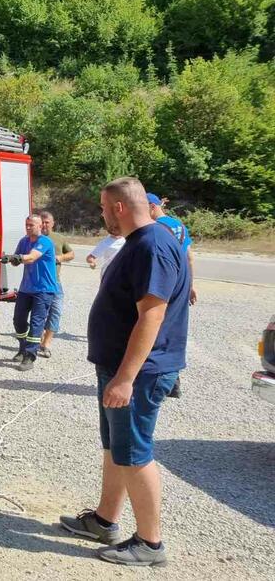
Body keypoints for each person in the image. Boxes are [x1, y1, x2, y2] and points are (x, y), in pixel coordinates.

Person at [60, 177, 189, 567]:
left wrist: (126, 378)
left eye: (103, 208)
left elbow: (152, 315)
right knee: (116, 448)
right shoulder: (140, 242)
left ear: (118, 207)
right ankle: (104, 521)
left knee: (134, 453)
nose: (102, 215)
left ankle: (150, 543)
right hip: (118, 368)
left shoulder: (152, 245)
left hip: (138, 373)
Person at [148, 192, 195, 399]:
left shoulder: (155, 227)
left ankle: (156, 381)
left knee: (154, 329)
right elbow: (189, 257)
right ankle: (173, 381)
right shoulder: (179, 226)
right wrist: (190, 285)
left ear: (152, 207)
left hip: (162, 281)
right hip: (180, 283)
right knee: (174, 331)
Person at [2, 214, 58, 371]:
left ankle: (29, 357)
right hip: (26, 288)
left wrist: (19, 257)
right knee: (18, 320)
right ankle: (23, 348)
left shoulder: (44, 242)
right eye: (26, 225)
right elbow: (17, 262)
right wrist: (11, 259)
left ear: (40, 226)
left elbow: (32, 257)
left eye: (31, 225)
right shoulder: (23, 241)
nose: (28, 228)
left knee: (36, 322)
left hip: (44, 289)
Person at [38, 210, 75, 358]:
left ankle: (46, 344)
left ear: (53, 224)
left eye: (47, 222)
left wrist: (60, 257)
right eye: (42, 222)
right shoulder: (34, 238)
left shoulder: (59, 238)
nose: (44, 225)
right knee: (39, 314)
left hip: (55, 283)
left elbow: (71, 254)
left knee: (55, 312)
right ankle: (37, 340)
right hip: (37, 284)